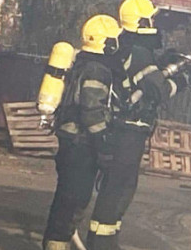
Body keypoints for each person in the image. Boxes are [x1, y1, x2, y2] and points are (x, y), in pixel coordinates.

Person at [84, 0, 189, 250]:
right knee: (119, 189)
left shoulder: (125, 46)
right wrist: (184, 80)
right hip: (129, 129)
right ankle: (101, 244)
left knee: (118, 187)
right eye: (151, 17)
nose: (154, 21)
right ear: (142, 21)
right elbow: (159, 90)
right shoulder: (140, 53)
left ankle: (106, 241)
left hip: (121, 128)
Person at [42, 15, 123, 250]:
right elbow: (92, 110)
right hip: (82, 143)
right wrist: (103, 144)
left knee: (66, 198)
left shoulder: (81, 61)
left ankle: (56, 243)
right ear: (109, 43)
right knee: (73, 200)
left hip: (69, 138)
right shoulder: (98, 69)